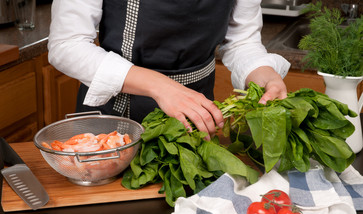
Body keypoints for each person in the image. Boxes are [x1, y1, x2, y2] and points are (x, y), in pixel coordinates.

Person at [48, 0, 290, 140]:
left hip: (197, 121)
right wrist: (161, 87)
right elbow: (67, 45)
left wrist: (264, 74)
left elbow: (241, 40)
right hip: (111, 123)